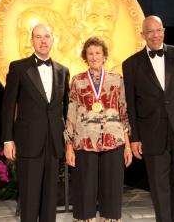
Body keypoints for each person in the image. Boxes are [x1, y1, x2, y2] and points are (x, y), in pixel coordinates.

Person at [122, 15, 174, 222]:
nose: (155, 35)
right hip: (152, 134)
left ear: (164, 31)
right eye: (149, 32)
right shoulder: (131, 64)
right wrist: (135, 138)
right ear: (142, 35)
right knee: (160, 189)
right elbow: (131, 104)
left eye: (158, 30)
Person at [1, 24, 70, 222]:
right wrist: (7, 140)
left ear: (53, 39)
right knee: (30, 199)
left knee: (50, 201)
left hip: (54, 143)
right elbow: (8, 107)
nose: (43, 40)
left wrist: (68, 142)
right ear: (32, 41)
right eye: (38, 37)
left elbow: (65, 110)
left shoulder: (63, 71)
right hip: (29, 142)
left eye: (47, 36)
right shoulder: (18, 68)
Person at [64, 36, 132, 222]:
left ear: (104, 56)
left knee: (112, 189)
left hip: (113, 141)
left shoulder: (116, 79)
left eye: (98, 53)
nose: (94, 57)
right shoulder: (77, 81)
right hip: (84, 142)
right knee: (85, 189)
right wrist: (69, 147)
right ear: (85, 56)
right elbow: (71, 115)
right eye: (90, 53)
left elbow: (123, 113)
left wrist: (127, 146)